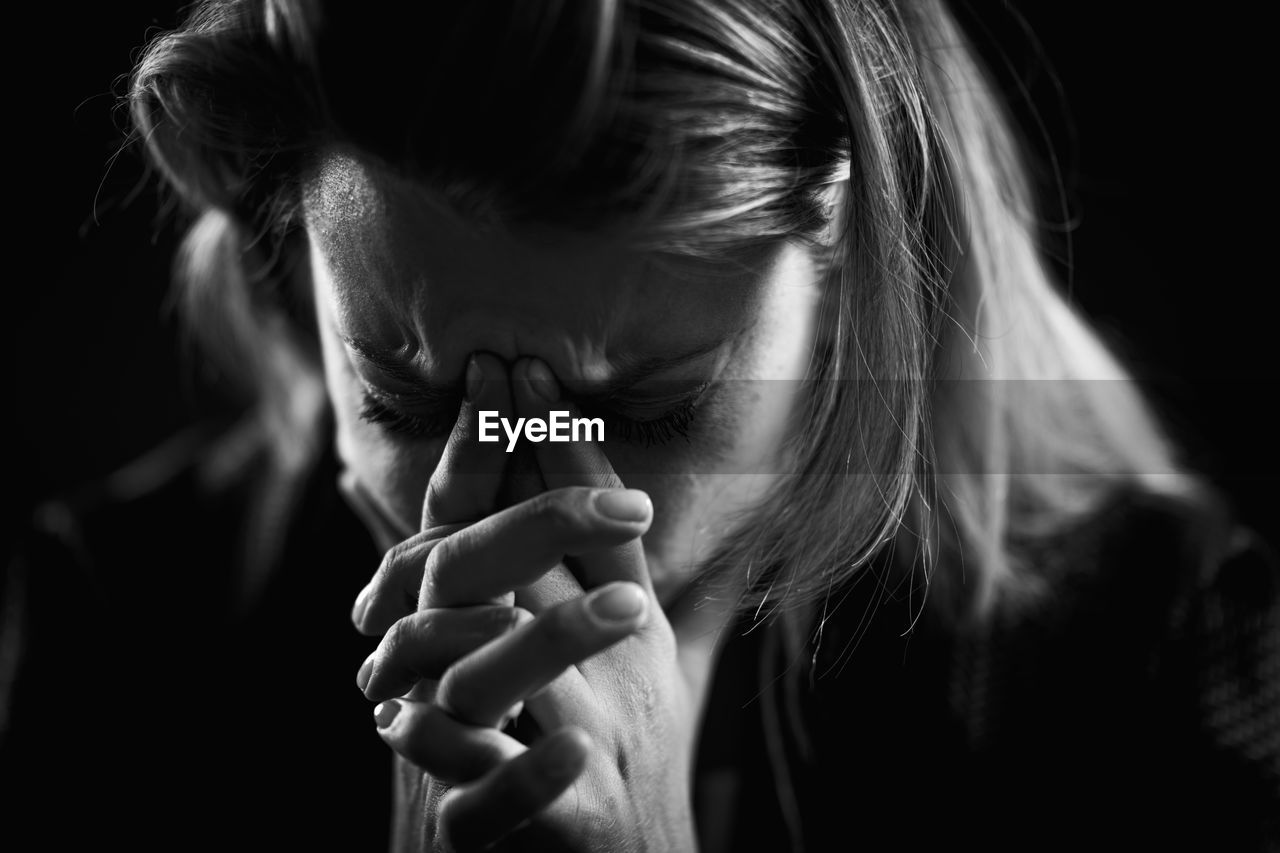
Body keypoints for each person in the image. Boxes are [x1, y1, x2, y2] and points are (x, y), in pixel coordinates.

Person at [4, 0, 1276, 850]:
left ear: (845, 246)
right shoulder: (107, 623)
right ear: (292, 262)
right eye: (408, 394)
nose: (513, 476)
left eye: (651, 405)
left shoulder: (1152, 646)